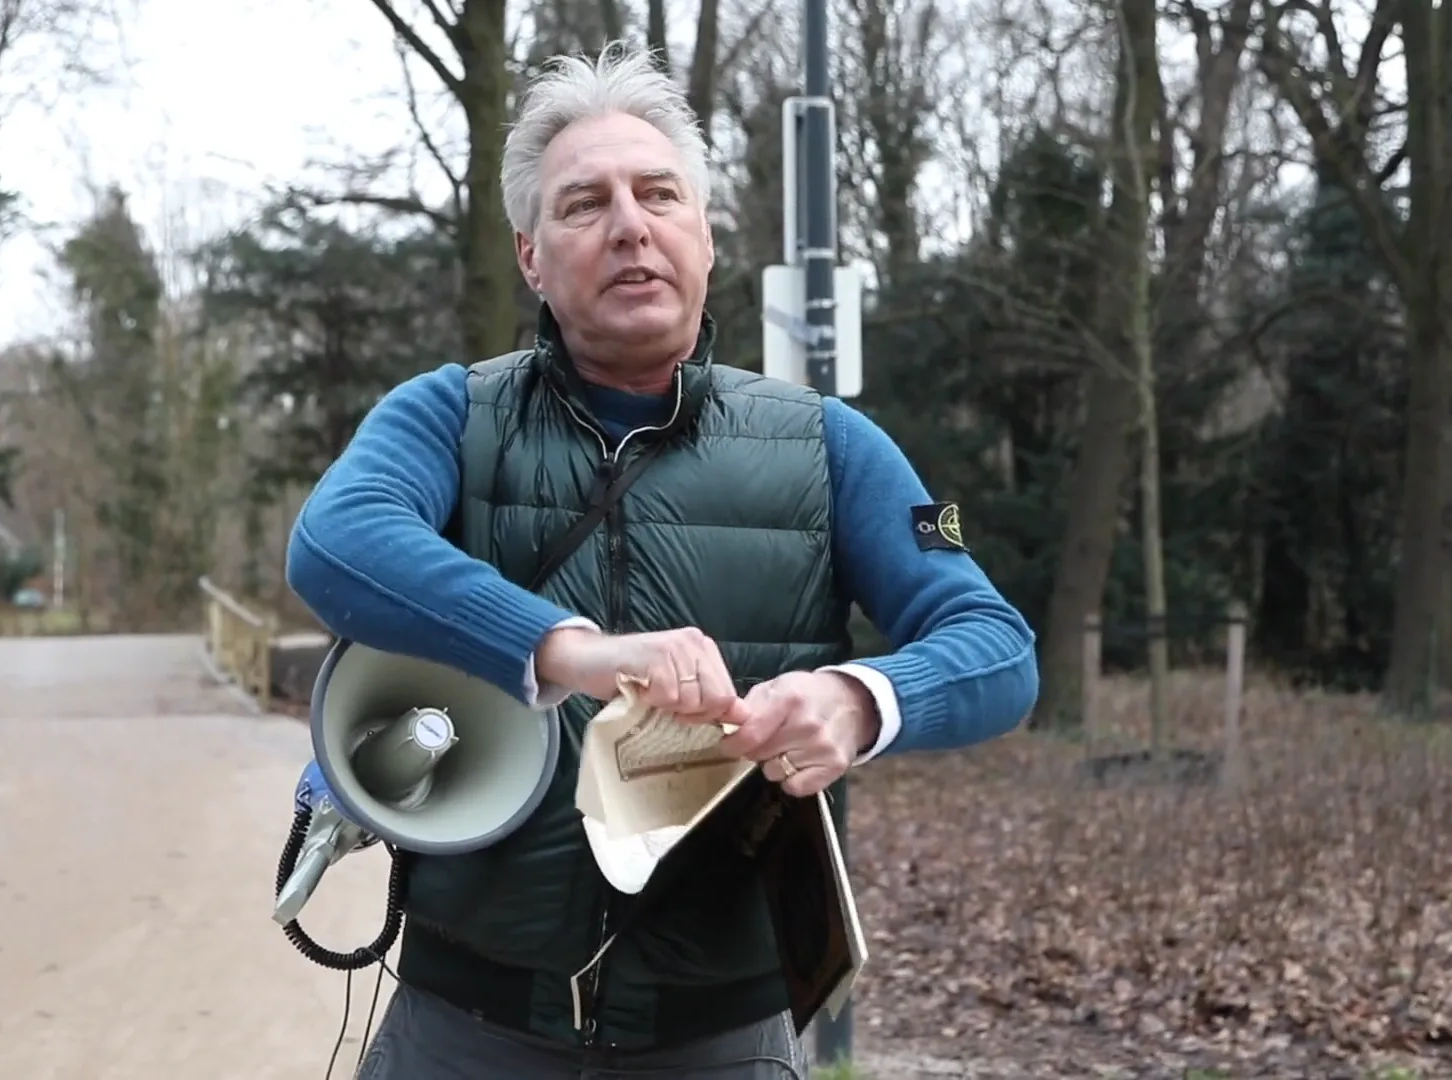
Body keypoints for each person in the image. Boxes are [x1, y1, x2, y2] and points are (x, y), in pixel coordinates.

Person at [283, 42, 1038, 1080]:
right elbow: (335, 540)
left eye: (659, 195)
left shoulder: (836, 446)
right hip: (464, 1027)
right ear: (532, 255)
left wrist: (860, 700)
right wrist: (567, 649)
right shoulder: (445, 414)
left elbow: (1000, 646)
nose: (630, 224)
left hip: (722, 1040)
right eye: (585, 203)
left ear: (707, 236)